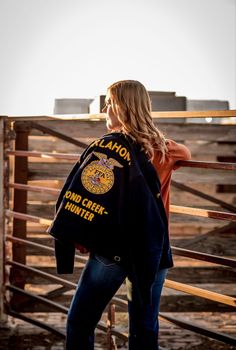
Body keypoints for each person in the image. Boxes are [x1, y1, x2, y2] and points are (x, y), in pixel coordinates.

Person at [47, 80, 191, 350]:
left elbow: (89, 195)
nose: (106, 108)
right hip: (152, 250)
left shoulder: (106, 148)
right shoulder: (163, 149)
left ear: (123, 107)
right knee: (144, 328)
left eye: (110, 103)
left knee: (80, 321)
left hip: (113, 251)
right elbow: (186, 153)